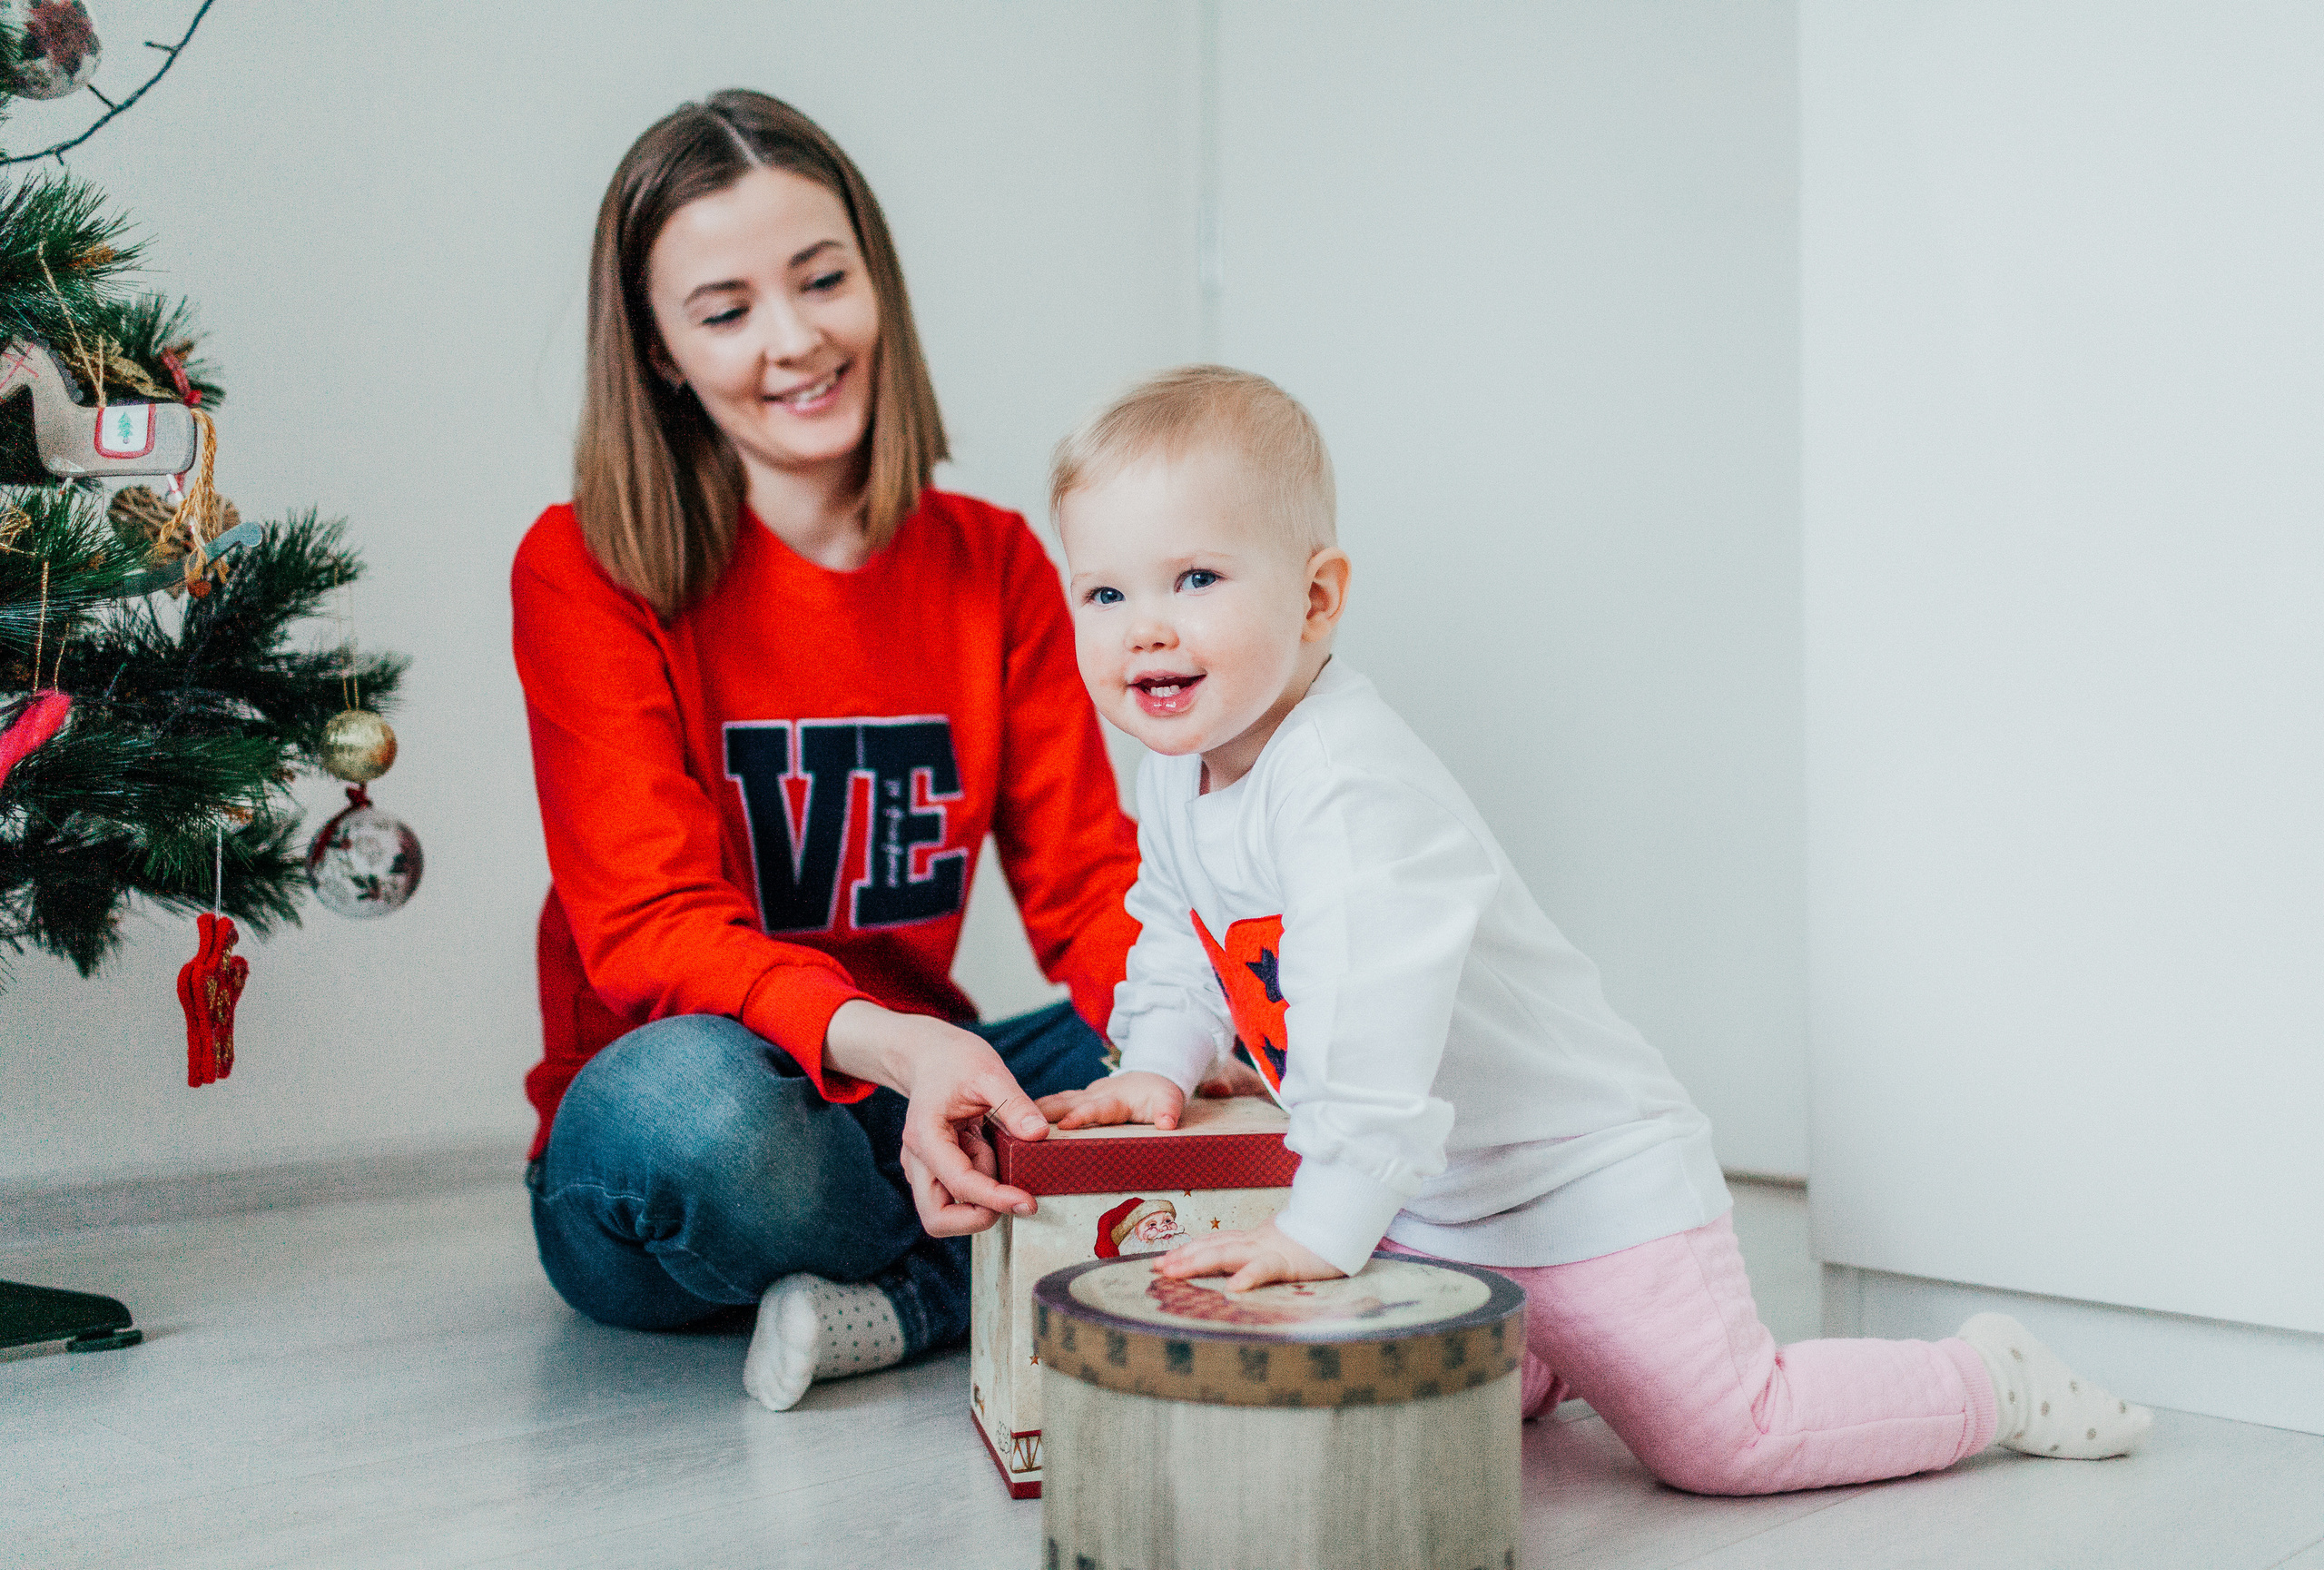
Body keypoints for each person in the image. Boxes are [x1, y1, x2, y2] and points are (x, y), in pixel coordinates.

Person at [1035, 365, 2153, 1495]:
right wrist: (1157, 1062)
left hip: (1577, 1184)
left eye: (1195, 578)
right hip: (1429, 1200)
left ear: (1317, 598)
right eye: (1106, 596)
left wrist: (1319, 1230)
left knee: (1725, 1440)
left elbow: (1373, 1030)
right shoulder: (1179, 774)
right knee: (1409, 1421)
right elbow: (1176, 931)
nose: (1147, 631)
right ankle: (1549, 1355)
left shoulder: (1343, 783)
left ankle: (1985, 1380)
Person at [510, 90, 1139, 1413]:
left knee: (1190, 1027)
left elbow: (1090, 888)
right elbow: (649, 927)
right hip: (701, 1133)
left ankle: (906, 1296)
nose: (795, 341)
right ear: (663, 351)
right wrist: (906, 1057)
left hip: (922, 1082)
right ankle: (1009, 1262)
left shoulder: (994, 562)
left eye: (821, 280)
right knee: (693, 1114)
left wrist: (1218, 1040)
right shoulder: (583, 566)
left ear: (876, 283)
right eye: (727, 310)